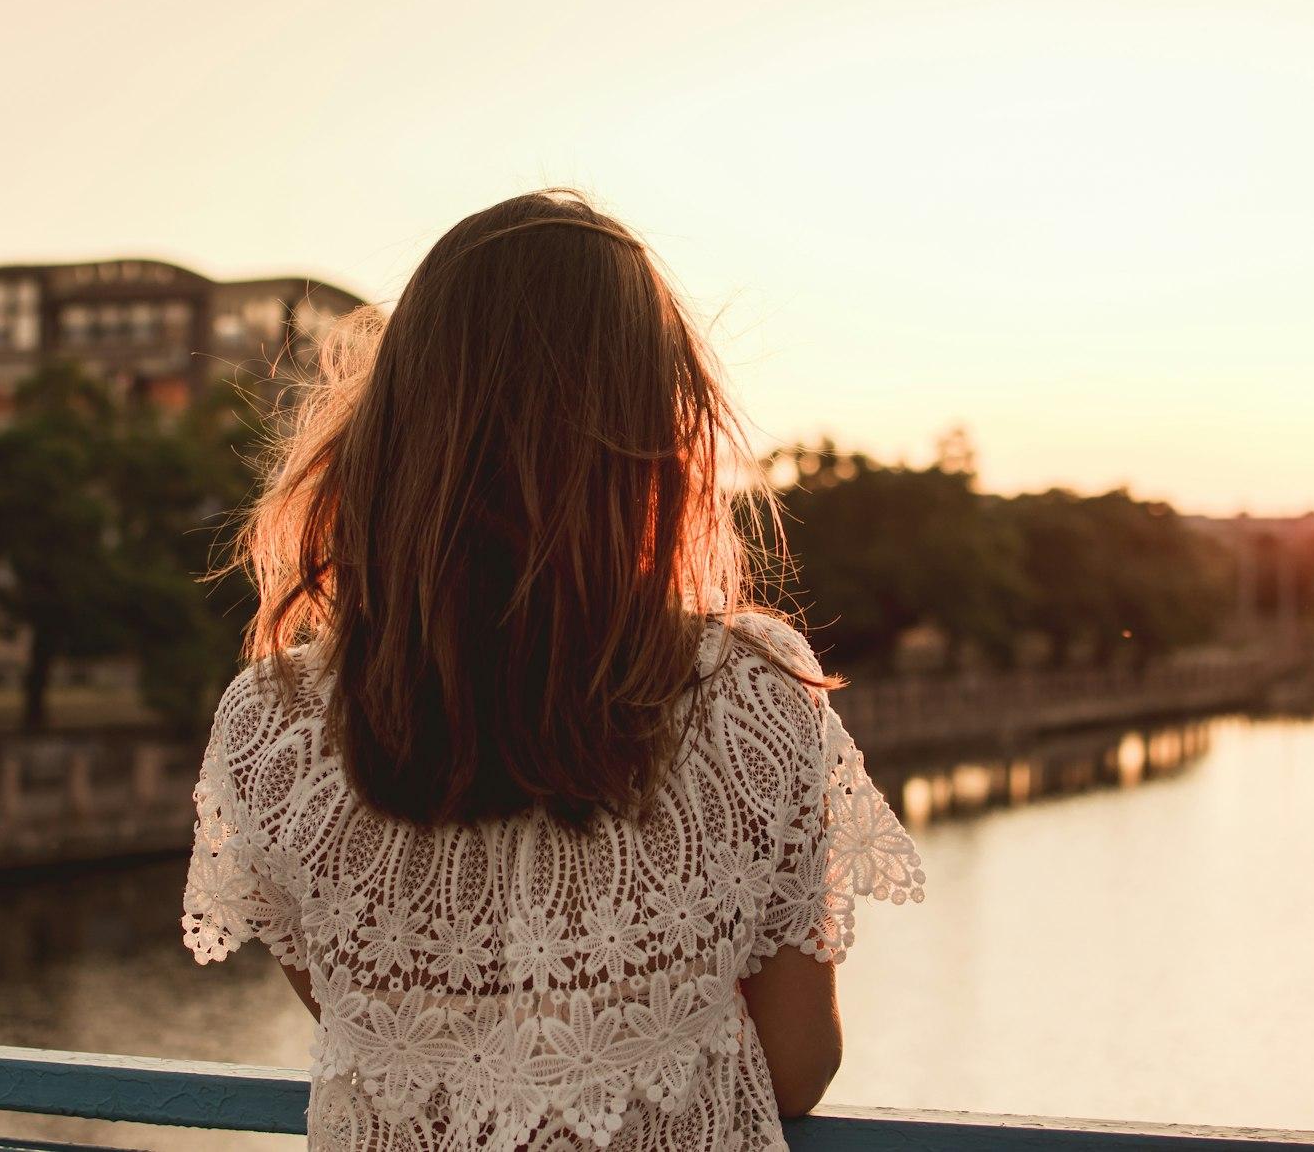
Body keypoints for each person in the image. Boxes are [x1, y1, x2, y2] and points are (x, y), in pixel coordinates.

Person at [182, 189, 924, 1151]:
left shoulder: (270, 725)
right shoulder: (750, 695)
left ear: (399, 424)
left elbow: (379, 1031)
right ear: (656, 433)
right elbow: (796, 1064)